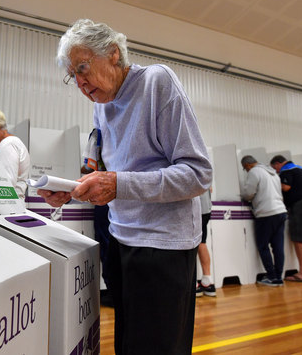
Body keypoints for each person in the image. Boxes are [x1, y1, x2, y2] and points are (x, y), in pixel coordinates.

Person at [38, 19, 212, 355]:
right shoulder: (100, 106)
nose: (79, 81)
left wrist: (118, 184)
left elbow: (198, 174)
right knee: (129, 343)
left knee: (157, 346)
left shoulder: (157, 82)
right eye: (72, 75)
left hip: (162, 244)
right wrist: (74, 189)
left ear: (114, 54)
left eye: (83, 67)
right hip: (121, 238)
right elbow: (110, 173)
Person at [270, 155, 302, 283]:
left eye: (274, 168)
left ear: (277, 163)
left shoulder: (286, 170)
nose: (276, 171)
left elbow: (286, 187)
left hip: (301, 205)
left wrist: (274, 184)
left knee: (298, 239)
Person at [240, 155, 288, 287]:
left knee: (263, 245)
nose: (246, 171)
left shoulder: (254, 172)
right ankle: (278, 276)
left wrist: (242, 195)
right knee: (278, 246)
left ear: (248, 165)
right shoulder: (272, 173)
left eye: (245, 169)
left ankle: (271, 276)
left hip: (266, 213)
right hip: (280, 211)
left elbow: (249, 193)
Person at [81, 128, 113, 307]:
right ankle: (115, 289)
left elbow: (88, 167)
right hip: (117, 195)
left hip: (104, 195)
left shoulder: (97, 134)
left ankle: (112, 290)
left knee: (105, 243)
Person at [196, 188, 216, 297]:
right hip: (205, 208)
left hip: (195, 207)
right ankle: (207, 281)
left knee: (191, 243)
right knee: (201, 242)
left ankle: (192, 284)